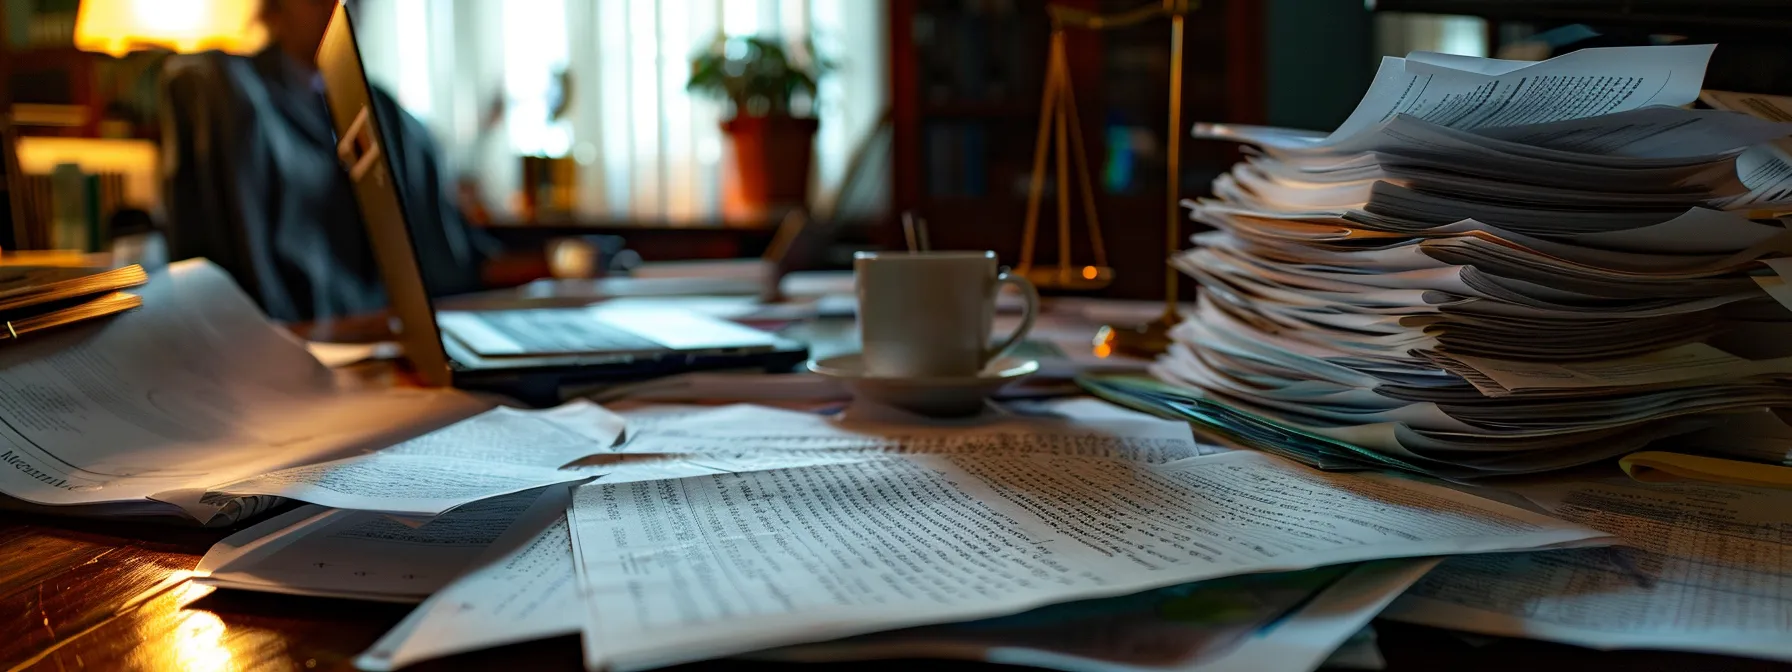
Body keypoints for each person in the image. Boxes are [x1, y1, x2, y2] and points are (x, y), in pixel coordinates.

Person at [161, 0, 492, 323]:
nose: (338, 8)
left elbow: (449, 257)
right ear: (276, 7)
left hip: (385, 330)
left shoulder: (386, 115)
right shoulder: (236, 95)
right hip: (292, 339)